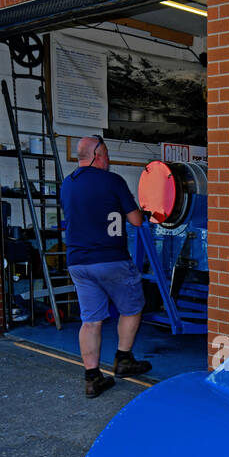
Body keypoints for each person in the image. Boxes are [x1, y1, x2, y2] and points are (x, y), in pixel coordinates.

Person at [59, 134, 153, 397]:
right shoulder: (112, 181)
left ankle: (92, 378)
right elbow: (135, 221)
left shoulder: (67, 184)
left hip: (78, 263)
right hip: (112, 260)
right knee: (132, 308)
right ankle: (124, 359)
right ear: (98, 154)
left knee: (90, 321)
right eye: (108, 154)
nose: (109, 160)